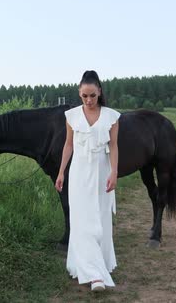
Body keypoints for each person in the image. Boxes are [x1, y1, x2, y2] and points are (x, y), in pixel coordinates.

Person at [55, 70, 121, 292]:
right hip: (79, 174)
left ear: (99, 92)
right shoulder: (71, 116)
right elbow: (68, 145)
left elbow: (113, 146)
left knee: (100, 219)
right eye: (85, 96)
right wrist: (61, 172)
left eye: (93, 95)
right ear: (79, 94)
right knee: (82, 221)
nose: (89, 100)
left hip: (102, 173)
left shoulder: (112, 116)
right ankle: (94, 276)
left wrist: (114, 173)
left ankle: (99, 263)